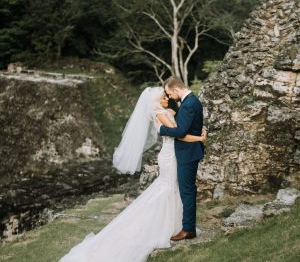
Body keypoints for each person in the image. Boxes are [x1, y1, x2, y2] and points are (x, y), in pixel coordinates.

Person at [59, 86, 206, 262]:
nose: (167, 98)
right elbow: (179, 134)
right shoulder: (159, 114)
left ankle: (178, 225)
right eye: (164, 96)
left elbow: (181, 123)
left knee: (173, 188)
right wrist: (199, 138)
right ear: (156, 100)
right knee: (168, 189)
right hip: (169, 156)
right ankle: (162, 227)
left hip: (174, 155)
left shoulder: (166, 111)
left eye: (167, 95)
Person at [159, 76, 205, 241]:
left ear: (176, 89)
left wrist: (162, 130)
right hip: (189, 151)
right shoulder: (190, 101)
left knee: (187, 191)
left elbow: (180, 132)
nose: (170, 97)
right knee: (187, 190)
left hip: (188, 153)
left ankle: (188, 229)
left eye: (170, 93)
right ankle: (187, 226)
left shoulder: (189, 104)